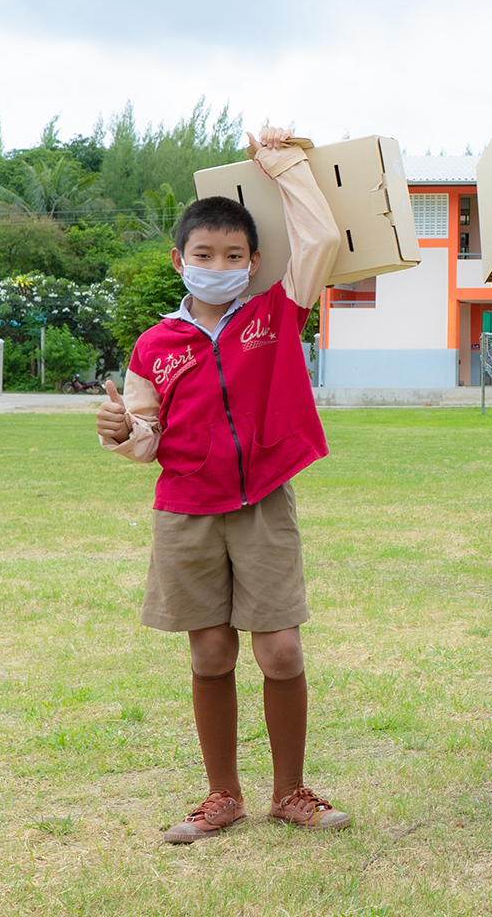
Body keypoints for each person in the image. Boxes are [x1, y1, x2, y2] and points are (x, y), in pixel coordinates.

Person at [95, 127, 349, 844]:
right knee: (210, 654)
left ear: (254, 262)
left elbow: (322, 239)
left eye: (234, 255)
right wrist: (120, 430)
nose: (219, 266)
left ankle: (290, 793)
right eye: (203, 255)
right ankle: (222, 797)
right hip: (187, 512)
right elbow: (145, 438)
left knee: (282, 652)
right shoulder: (155, 345)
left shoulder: (276, 312)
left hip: (263, 502)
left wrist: (286, 165)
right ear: (180, 261)